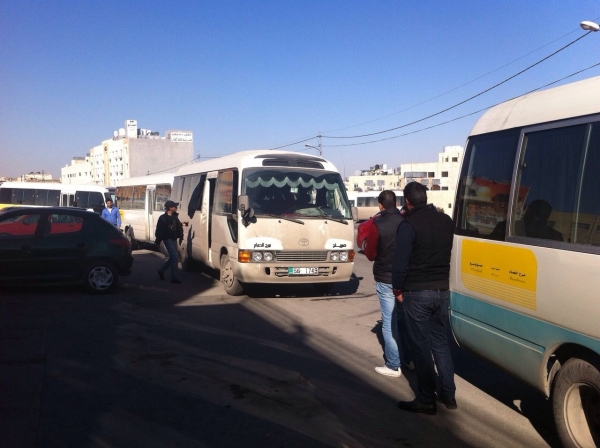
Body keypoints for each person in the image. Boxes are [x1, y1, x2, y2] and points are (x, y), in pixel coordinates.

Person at [392, 182, 456, 415]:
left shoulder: (408, 226)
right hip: (441, 291)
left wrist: (397, 289)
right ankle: (448, 395)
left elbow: (400, 264)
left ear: (407, 202)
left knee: (420, 347)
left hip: (417, 292)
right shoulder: (446, 221)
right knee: (440, 344)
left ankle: (427, 398)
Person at [364, 190, 412, 377]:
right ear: (396, 203)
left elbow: (370, 254)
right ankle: (409, 359)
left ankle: (393, 364)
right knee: (404, 319)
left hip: (385, 278)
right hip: (405, 278)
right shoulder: (405, 222)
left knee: (389, 322)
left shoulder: (377, 224)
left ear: (380, 205)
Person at [155, 200, 184, 284]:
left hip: (174, 239)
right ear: (170, 208)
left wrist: (181, 236)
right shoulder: (162, 218)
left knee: (172, 258)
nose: (176, 207)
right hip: (167, 239)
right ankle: (174, 278)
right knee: (175, 257)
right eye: (174, 206)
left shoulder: (175, 217)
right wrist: (157, 241)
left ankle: (161, 271)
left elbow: (178, 226)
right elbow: (159, 230)